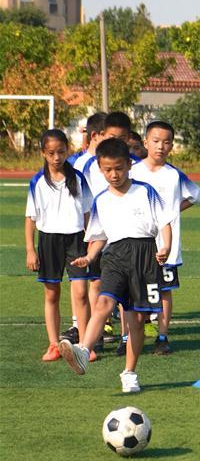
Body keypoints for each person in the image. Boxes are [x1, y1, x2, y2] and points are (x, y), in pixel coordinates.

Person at [58, 137, 172, 393]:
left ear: (129, 165)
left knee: (137, 319)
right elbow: (99, 236)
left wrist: (165, 246)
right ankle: (83, 351)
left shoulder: (145, 192)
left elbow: (164, 221)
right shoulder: (101, 200)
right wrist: (89, 257)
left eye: (119, 168)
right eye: (107, 169)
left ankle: (129, 372)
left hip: (145, 255)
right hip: (115, 256)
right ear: (100, 168)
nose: (114, 174)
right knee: (103, 302)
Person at [131, 120, 200, 354]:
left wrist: (172, 211)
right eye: (156, 141)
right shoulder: (132, 171)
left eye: (166, 142)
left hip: (166, 245)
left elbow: (196, 195)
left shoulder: (174, 175)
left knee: (164, 290)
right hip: (136, 242)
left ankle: (162, 337)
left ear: (172, 146)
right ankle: (127, 337)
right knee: (134, 289)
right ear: (145, 142)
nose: (161, 146)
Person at [25, 128, 92, 361]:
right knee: (52, 293)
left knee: (81, 293)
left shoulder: (78, 179)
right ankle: (53, 344)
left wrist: (92, 241)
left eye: (61, 152)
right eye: (51, 153)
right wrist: (30, 250)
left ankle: (84, 344)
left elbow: (87, 213)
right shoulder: (37, 182)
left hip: (76, 240)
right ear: (43, 153)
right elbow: (30, 218)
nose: (57, 157)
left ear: (67, 150)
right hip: (48, 240)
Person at [81, 110, 139, 356]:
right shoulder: (88, 165)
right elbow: (82, 198)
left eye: (122, 137)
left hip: (130, 242)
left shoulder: (134, 167)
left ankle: (126, 338)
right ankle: (97, 334)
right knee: (97, 284)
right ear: (102, 135)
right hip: (99, 233)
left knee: (129, 299)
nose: (113, 174)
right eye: (113, 136)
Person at [60, 111, 107, 346]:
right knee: (80, 283)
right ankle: (79, 325)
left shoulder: (114, 161)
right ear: (96, 135)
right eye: (109, 135)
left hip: (107, 229)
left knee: (99, 280)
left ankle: (98, 327)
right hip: (81, 231)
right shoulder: (75, 163)